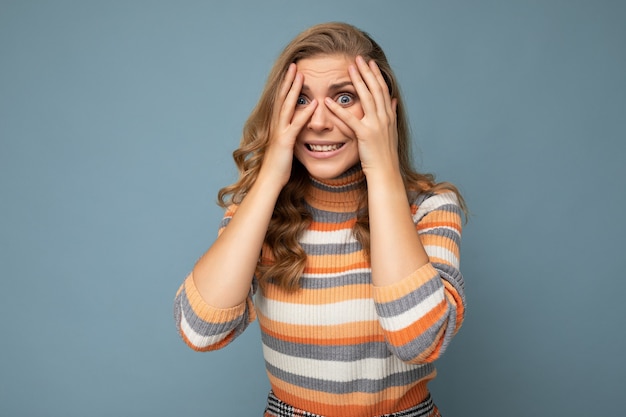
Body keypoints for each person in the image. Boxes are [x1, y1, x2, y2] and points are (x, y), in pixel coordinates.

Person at [174, 22, 467, 417]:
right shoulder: (260, 213)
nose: (318, 121)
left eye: (344, 98)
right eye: (300, 100)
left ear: (385, 110)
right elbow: (199, 330)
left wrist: (382, 169)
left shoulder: (429, 208)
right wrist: (270, 177)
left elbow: (418, 342)